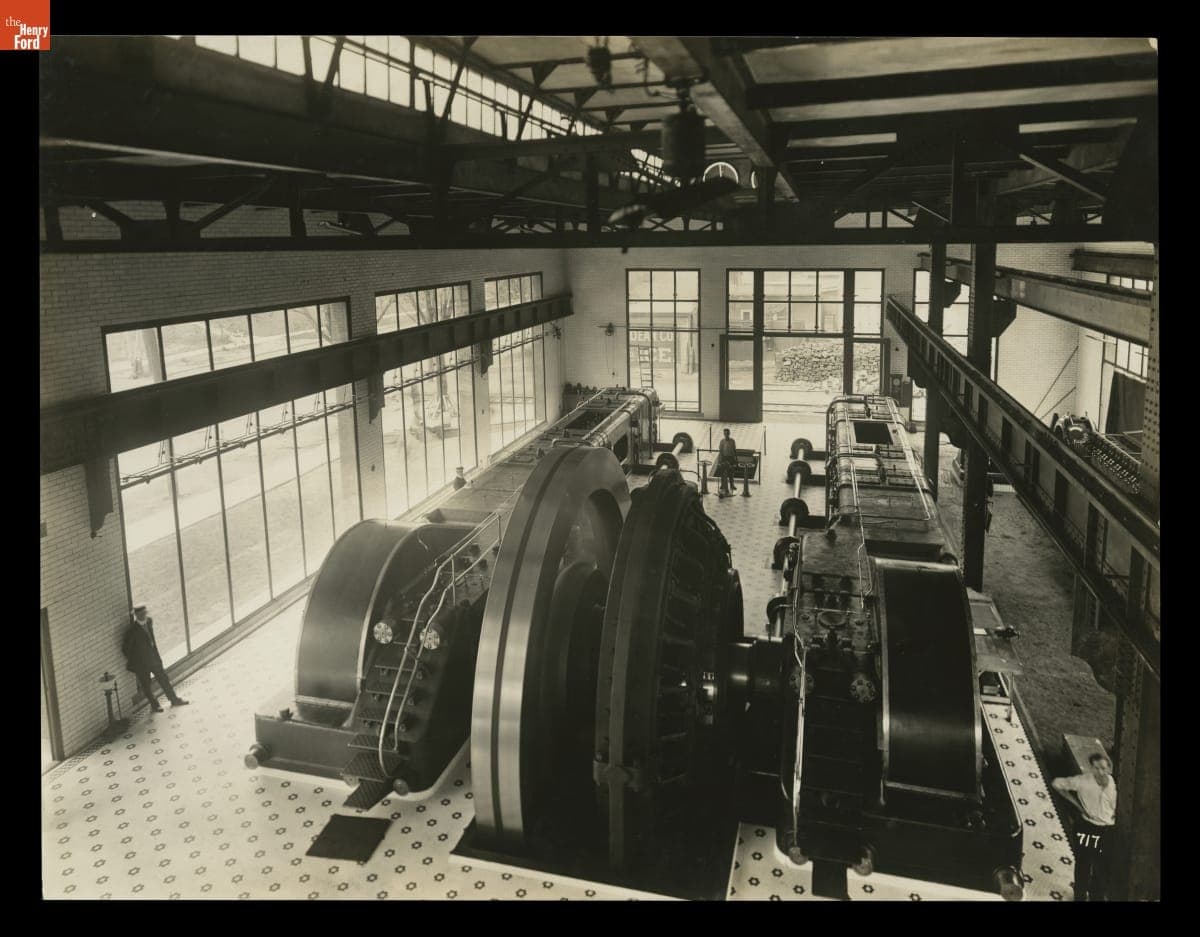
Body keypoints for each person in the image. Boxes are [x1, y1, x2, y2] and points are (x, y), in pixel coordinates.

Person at [1052, 752, 1116, 901]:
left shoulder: (1112, 783)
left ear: (1109, 768)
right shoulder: (1083, 781)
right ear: (1091, 768)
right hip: (1087, 828)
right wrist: (1077, 805)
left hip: (1106, 830)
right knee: (1083, 863)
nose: (1100, 772)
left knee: (1102, 865)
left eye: (1103, 768)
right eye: (1096, 768)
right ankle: (1080, 896)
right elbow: (1056, 783)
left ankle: (1096, 896)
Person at [122, 604, 189, 713]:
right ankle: (155, 705)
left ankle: (174, 699)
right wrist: (137, 660)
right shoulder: (132, 631)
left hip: (154, 659)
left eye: (145, 613)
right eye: (141, 614)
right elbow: (125, 649)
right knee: (146, 686)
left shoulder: (149, 621)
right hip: (142, 665)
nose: (143, 616)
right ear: (136, 615)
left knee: (164, 680)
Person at [715, 427, 738, 497]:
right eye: (725, 433)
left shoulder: (732, 441)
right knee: (723, 472)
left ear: (729, 433)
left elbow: (734, 450)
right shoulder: (722, 441)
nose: (726, 435)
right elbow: (721, 451)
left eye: (727, 433)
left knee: (731, 472)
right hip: (724, 458)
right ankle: (723, 485)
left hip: (730, 458)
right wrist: (719, 461)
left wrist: (735, 459)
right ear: (724, 434)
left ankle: (732, 485)